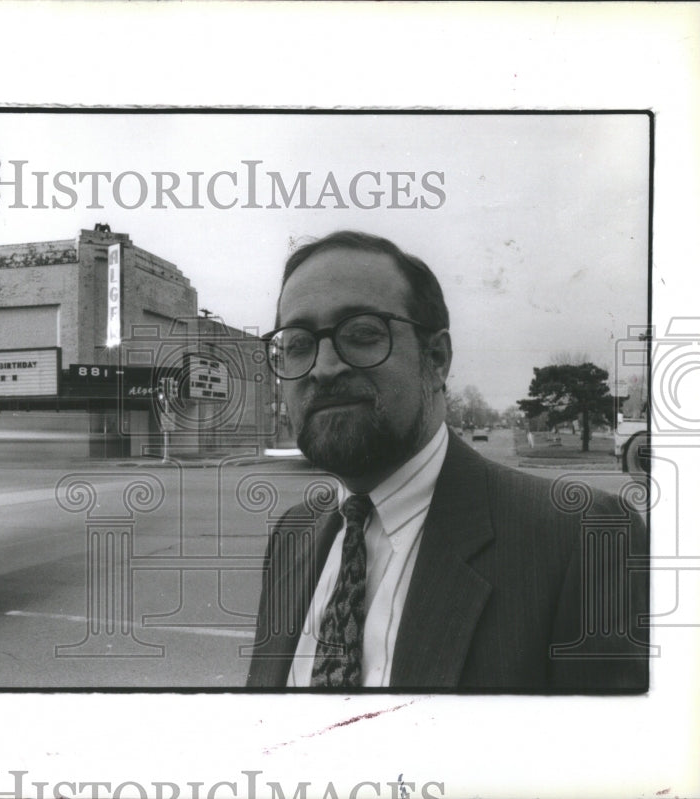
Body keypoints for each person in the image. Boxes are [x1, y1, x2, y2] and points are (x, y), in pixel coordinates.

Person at [246, 231, 649, 691]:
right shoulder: (292, 537)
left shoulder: (583, 537)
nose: (322, 367)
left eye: (361, 334)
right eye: (297, 344)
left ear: (436, 359)